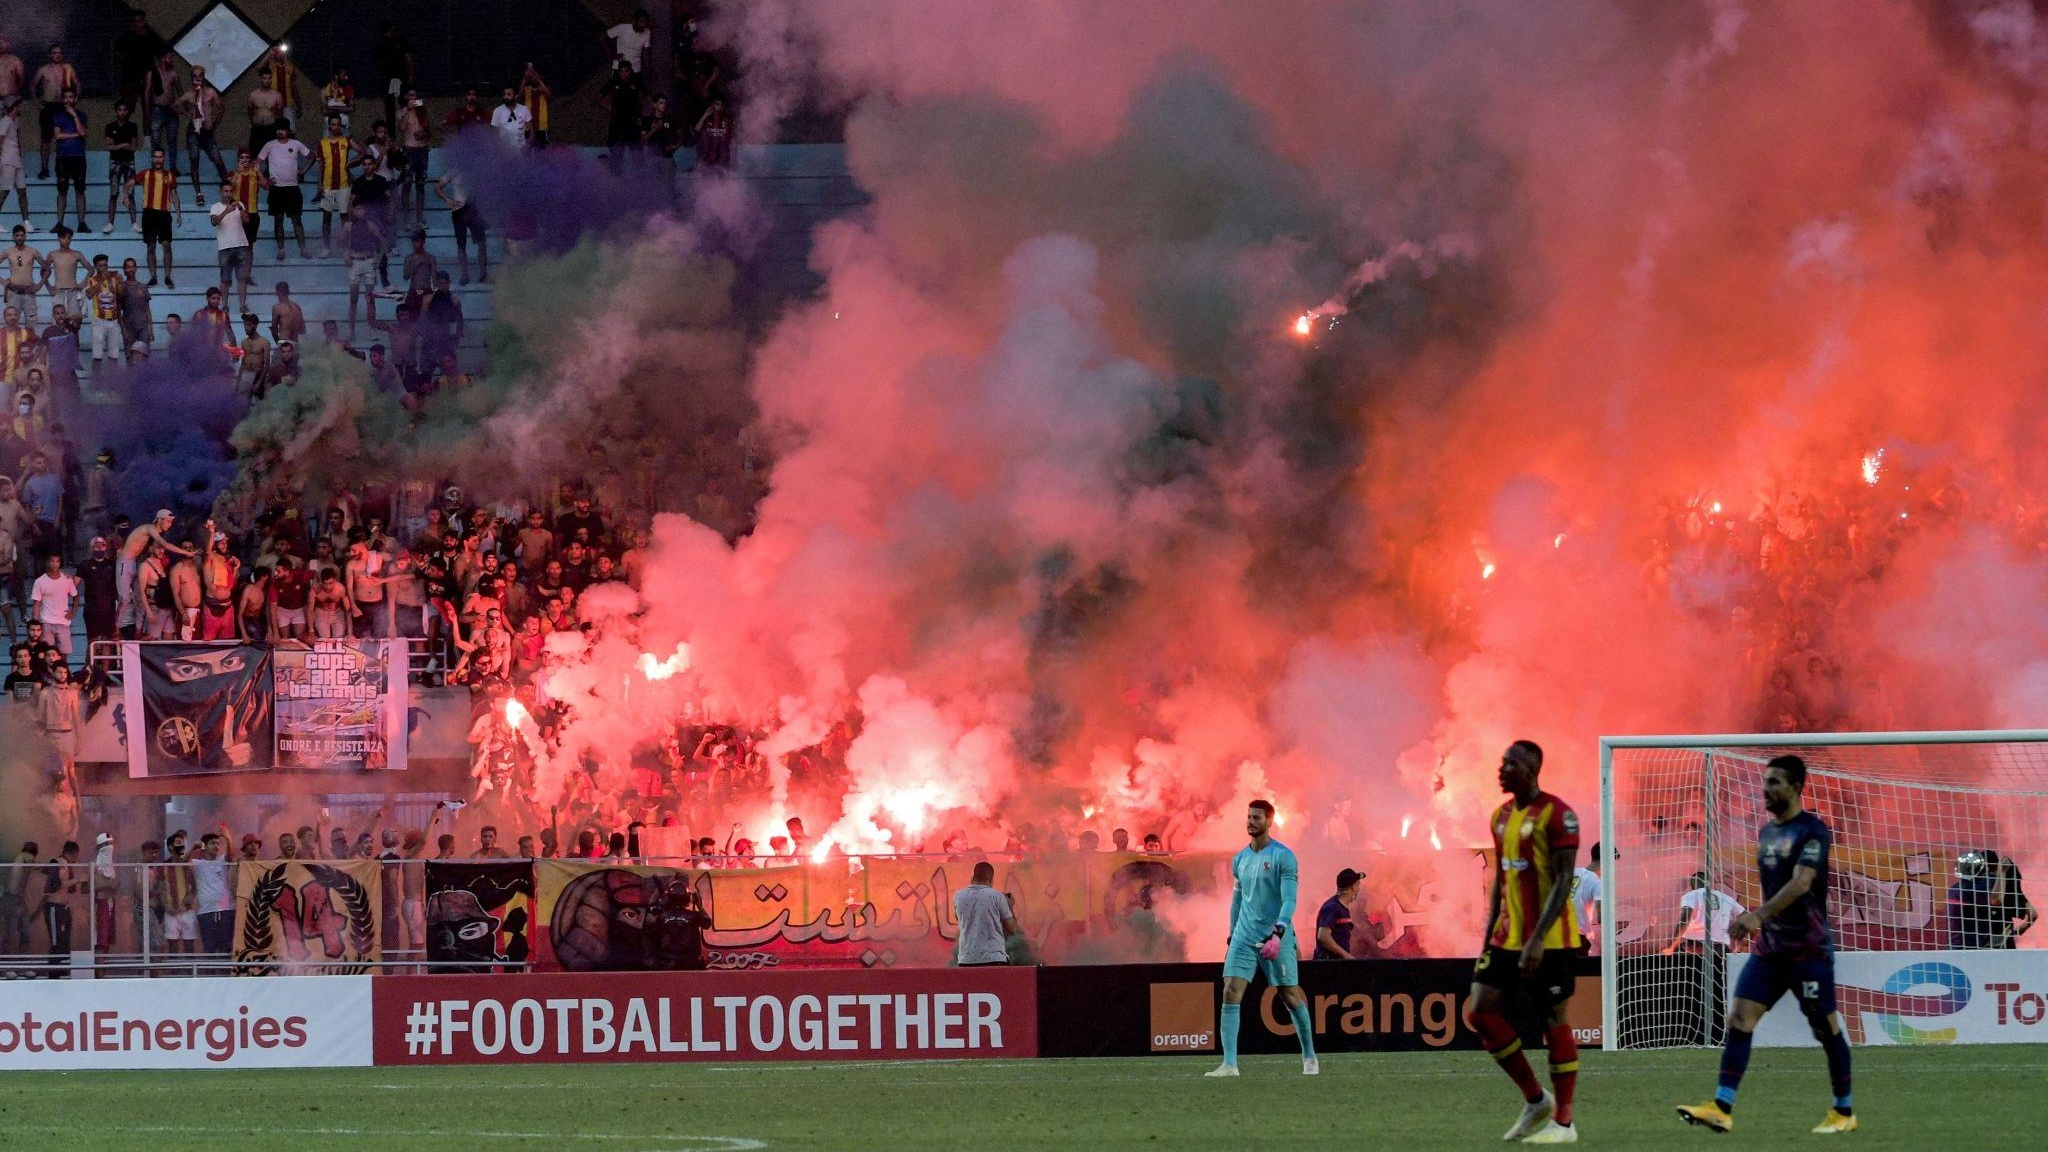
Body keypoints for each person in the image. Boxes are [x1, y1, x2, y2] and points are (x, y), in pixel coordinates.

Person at [1677, 755, 1857, 1135]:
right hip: (1770, 950)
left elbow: (1802, 882)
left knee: (1825, 1029)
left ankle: (1843, 1112)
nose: (1766, 788)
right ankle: (1721, 1107)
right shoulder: (1766, 832)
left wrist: (1758, 916)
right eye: (1766, 781)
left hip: (1808, 949)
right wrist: (1760, 925)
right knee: (1740, 1018)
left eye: (1775, 782)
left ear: (1795, 786)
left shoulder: (1813, 831)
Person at [1470, 740, 1583, 1144]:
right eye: (1501, 761)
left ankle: (1564, 1123)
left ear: (1531, 769)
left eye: (1510, 763)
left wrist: (1536, 939)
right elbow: (1501, 882)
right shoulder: (1499, 817)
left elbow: (1563, 879)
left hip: (1549, 939)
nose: (1501, 769)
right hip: (1507, 936)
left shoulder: (1559, 815)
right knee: (1479, 1012)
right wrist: (1487, 941)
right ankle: (1536, 1099)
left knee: (1555, 1019)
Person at [1206, 799, 1316, 1078]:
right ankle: (1229, 1064)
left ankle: (1310, 1057)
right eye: (1248, 817)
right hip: (1244, 936)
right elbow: (1237, 899)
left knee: (1289, 996)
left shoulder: (1284, 857)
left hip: (1274, 937)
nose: (1250, 822)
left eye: (1256, 818)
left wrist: (1278, 933)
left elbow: (1290, 900)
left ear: (1269, 821)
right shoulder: (1240, 859)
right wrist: (1233, 934)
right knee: (1231, 990)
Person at [257, 124, 312, 260]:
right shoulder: (269, 145)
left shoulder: (296, 143)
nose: (279, 131)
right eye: (278, 129)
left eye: (282, 129)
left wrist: (303, 171)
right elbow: (256, 163)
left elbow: (312, 156)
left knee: (296, 220)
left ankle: (303, 248)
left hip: (292, 187)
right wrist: (264, 180)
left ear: (288, 131)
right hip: (276, 189)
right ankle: (281, 249)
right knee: (278, 220)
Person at [952, 860, 1018, 966]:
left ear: (973, 877)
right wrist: (1010, 907)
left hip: (966, 960)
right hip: (994, 959)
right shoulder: (997, 896)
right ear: (991, 879)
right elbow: (1012, 929)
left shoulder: (958, 896)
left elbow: (960, 919)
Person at [129, 149, 180, 287]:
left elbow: (174, 194)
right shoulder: (145, 173)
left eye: (160, 157)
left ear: (164, 159)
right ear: (152, 159)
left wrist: (178, 213)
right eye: (155, 157)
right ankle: (153, 277)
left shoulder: (169, 175)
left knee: (166, 245)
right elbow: (129, 183)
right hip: (149, 213)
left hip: (164, 213)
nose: (158, 160)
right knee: (150, 246)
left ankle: (168, 276)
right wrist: (127, 197)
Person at [178, 65, 229, 200]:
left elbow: (221, 108)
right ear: (192, 78)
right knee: (194, 158)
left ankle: (227, 188)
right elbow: (175, 106)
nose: (197, 78)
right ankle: (198, 193)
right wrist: (187, 113)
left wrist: (214, 124)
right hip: (194, 130)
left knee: (217, 158)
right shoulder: (189, 95)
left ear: (203, 77)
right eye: (195, 76)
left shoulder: (211, 93)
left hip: (207, 131)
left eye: (200, 76)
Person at [314, 114, 358, 257]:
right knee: (326, 217)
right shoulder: (322, 143)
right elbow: (320, 166)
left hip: (343, 185)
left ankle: (344, 247)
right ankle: (326, 247)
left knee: (344, 217)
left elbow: (363, 152)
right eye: (333, 124)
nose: (335, 127)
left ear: (341, 126)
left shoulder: (347, 140)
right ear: (329, 126)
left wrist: (350, 164)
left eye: (338, 124)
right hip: (327, 186)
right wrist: (319, 185)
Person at [434, 169, 487, 284]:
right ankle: (464, 274)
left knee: (481, 242)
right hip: (459, 210)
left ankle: (483, 273)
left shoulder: (477, 168)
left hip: (474, 210)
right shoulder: (454, 170)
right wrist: (448, 200)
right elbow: (438, 187)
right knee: (461, 244)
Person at [209, 181, 252, 314]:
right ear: (221, 192)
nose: (228, 194)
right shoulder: (215, 207)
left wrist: (241, 209)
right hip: (225, 247)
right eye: (225, 191)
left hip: (241, 245)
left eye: (230, 191)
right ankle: (225, 306)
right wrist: (226, 211)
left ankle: (243, 305)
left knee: (242, 278)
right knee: (225, 279)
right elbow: (214, 222)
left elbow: (247, 221)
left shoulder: (240, 204)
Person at [48, 90, 88, 234]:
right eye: (66, 97)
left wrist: (74, 116)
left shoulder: (81, 115)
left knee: (80, 191)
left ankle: (82, 223)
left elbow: (83, 133)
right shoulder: (58, 116)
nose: (68, 100)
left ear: (75, 99)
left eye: (71, 97)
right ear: (62, 99)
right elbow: (58, 135)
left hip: (78, 157)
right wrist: (75, 135)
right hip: (63, 157)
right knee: (62, 191)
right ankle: (59, 223)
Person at [28, 552, 75, 658]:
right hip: (46, 622)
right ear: (47, 563)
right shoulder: (39, 581)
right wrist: (35, 622)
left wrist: (73, 611)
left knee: (63, 654)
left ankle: (64, 673)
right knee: (47, 653)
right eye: (52, 561)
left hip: (63, 622)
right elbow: (36, 603)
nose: (55, 564)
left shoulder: (67, 579)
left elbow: (74, 595)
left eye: (57, 561)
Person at [1313, 866, 1362, 960]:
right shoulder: (1332, 907)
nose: (1359, 888)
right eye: (1358, 885)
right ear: (1353, 887)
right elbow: (1323, 936)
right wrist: (1346, 955)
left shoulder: (1342, 908)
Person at [1571, 842, 1605, 952]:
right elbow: (1601, 917)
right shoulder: (1597, 882)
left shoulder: (1575, 872)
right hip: (1579, 937)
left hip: (1562, 931)